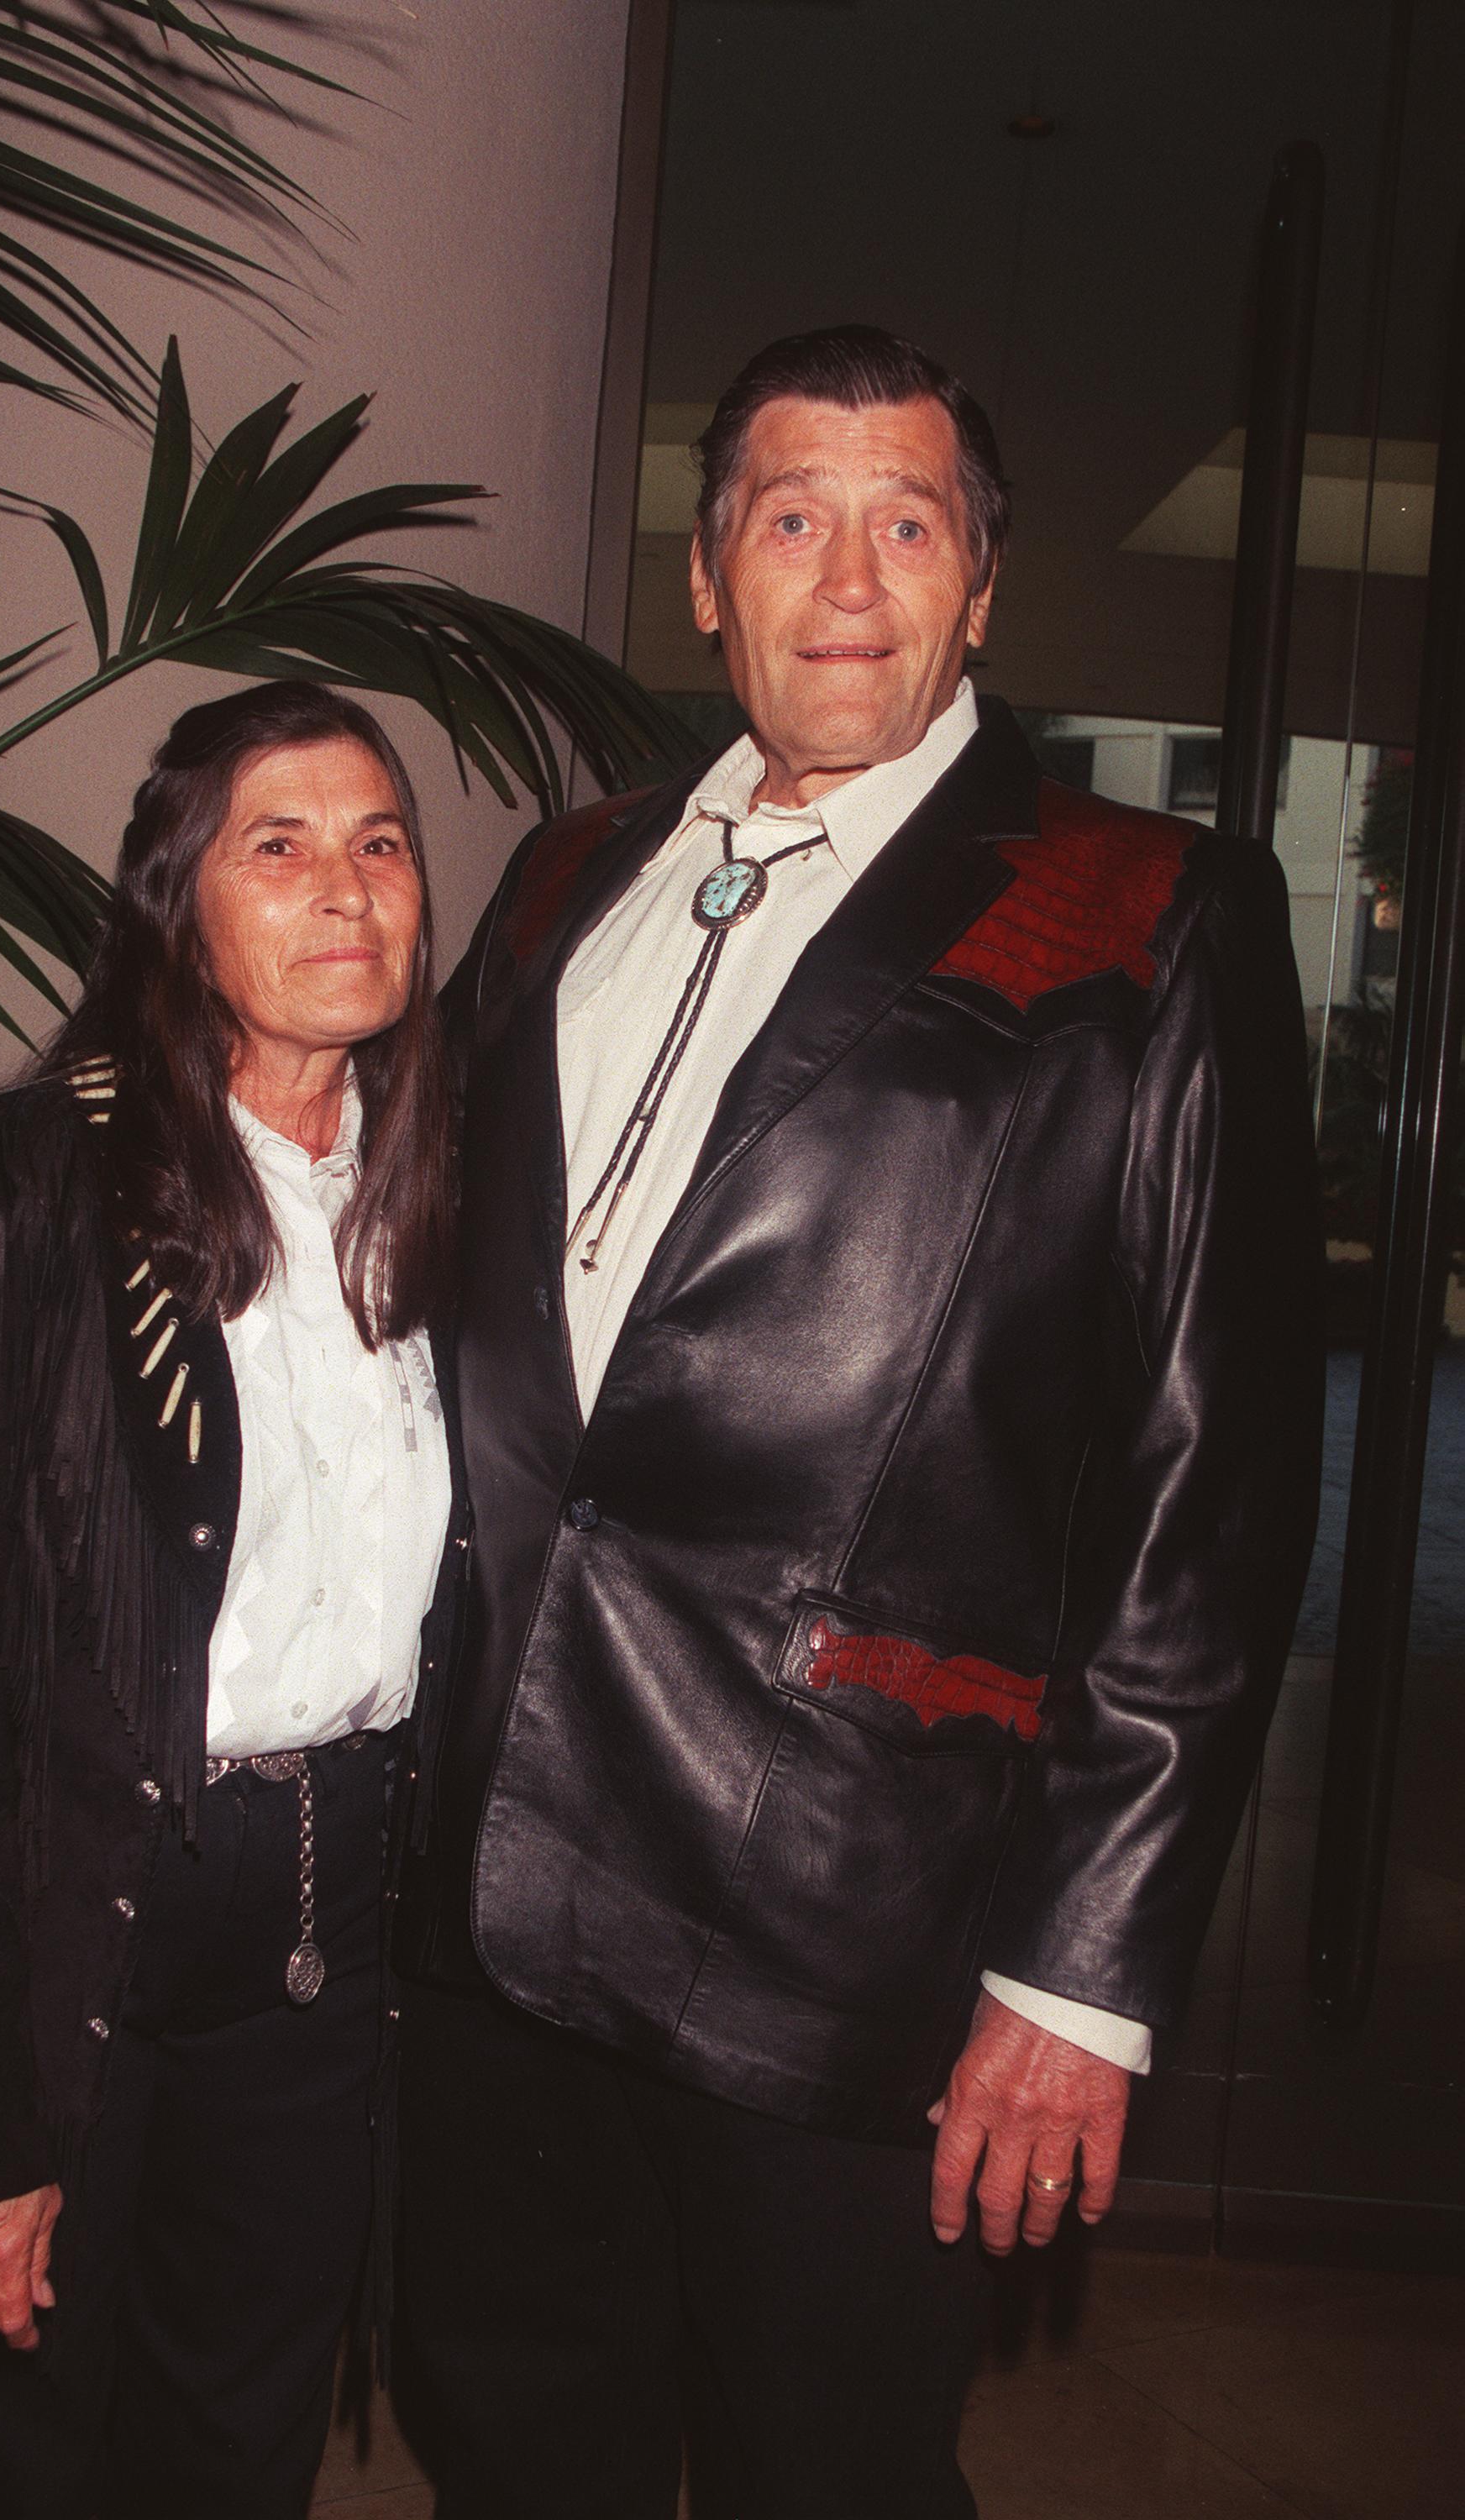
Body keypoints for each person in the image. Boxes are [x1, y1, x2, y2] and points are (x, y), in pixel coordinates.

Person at [389, 327, 1323, 2517]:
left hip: (847, 1906)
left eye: (910, 522)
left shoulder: (1151, 912)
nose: (848, 572)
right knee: (518, 2440)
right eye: (790, 516)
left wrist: (1082, 1980)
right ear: (708, 579)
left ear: (983, 589)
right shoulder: (567, 870)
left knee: (835, 2473)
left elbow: (1219, 1488)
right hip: (495, 1856)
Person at [0, 680, 462, 2519]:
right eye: (279, 848)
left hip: (328, 1936)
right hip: (72, 1927)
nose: (345, 892)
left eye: (381, 845)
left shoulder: (446, 1199)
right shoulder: (25, 1183)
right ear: (178, 902)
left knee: (235, 2446)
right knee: (9, 2460)